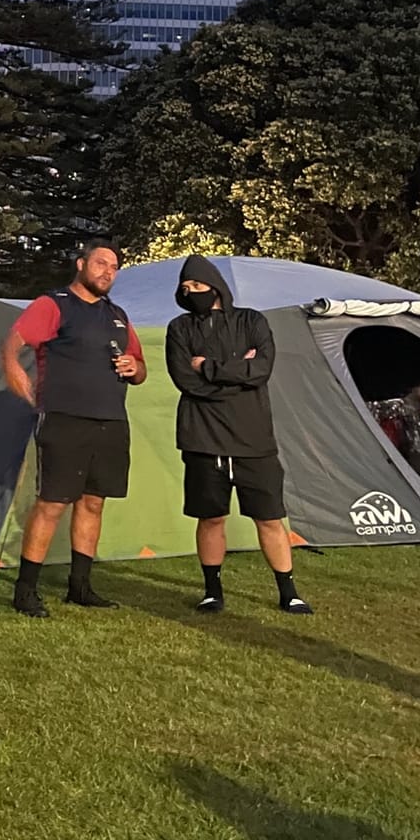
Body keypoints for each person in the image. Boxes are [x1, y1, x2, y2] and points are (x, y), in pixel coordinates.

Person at [1, 240, 147, 617]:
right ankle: (25, 591)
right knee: (52, 503)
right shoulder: (54, 304)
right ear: (81, 264)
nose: (108, 271)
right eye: (101, 263)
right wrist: (16, 373)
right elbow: (14, 342)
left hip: (111, 420)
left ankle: (80, 587)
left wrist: (135, 367)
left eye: (114, 267)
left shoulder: (117, 315)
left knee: (93, 502)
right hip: (65, 418)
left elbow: (140, 369)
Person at [165, 257, 311, 616]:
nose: (191, 292)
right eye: (185, 288)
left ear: (214, 286)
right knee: (210, 517)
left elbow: (261, 370)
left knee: (269, 517)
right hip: (203, 439)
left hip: (253, 440)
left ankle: (289, 592)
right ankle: (212, 591)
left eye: (197, 285)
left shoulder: (251, 321)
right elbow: (186, 381)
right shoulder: (180, 328)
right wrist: (238, 374)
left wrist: (209, 367)